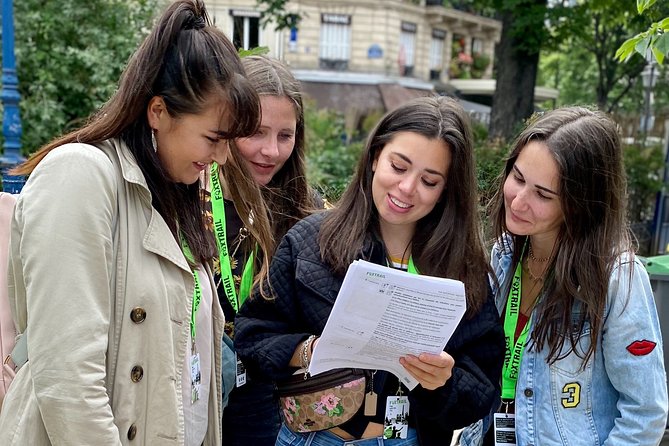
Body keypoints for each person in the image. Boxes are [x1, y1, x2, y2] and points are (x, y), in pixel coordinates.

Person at [0, 1, 273, 445]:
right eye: (213, 138)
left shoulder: (173, 197)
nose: (223, 158)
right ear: (158, 112)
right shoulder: (81, 174)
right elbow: (68, 376)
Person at [234, 96, 506, 446]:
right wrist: (308, 350)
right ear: (376, 156)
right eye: (399, 166)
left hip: (406, 437)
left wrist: (444, 380)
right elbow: (253, 337)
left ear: (447, 189)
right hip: (312, 436)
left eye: (429, 180)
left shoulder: (461, 269)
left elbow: (482, 391)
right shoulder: (310, 241)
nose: (407, 188)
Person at [459, 107, 668, 446]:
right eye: (518, 177)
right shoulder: (504, 254)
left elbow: (646, 413)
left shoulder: (617, 278)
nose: (518, 201)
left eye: (543, 194)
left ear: (582, 204)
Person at [207, 55, 317, 446]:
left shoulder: (306, 210)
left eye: (284, 136)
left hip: (266, 397)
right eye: (255, 132)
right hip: (193, 383)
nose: (271, 151)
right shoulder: (189, 195)